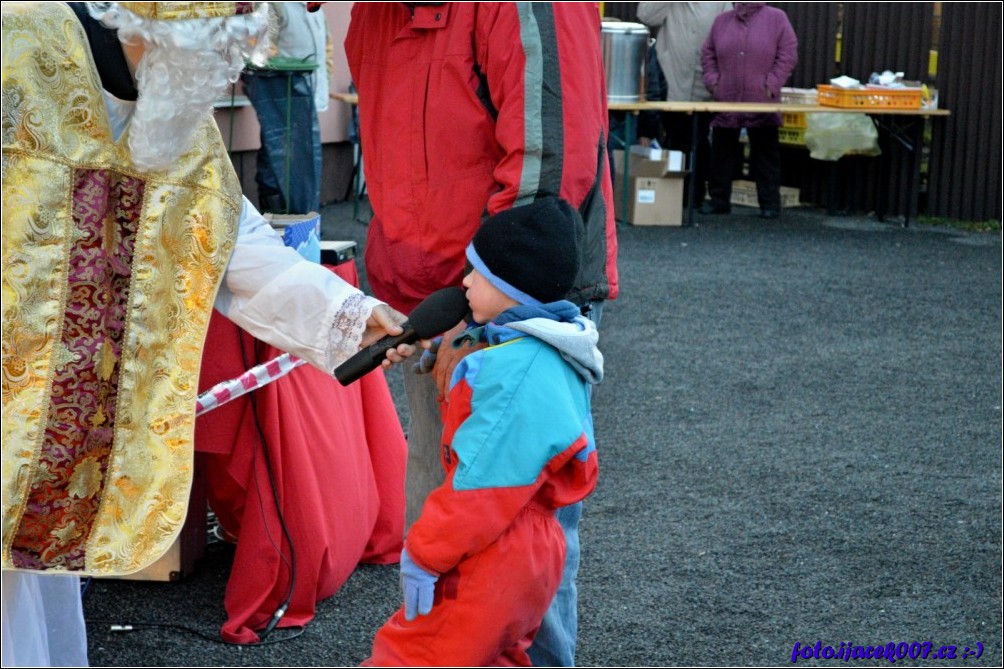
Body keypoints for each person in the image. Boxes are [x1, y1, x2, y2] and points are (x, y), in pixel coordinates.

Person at [1, 2, 411, 665]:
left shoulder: (167, 101)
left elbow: (228, 240)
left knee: (39, 595)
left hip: (57, 429)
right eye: (219, 54)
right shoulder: (18, 46)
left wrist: (350, 314)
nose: (223, 81)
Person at [345, 4, 619, 666]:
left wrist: (485, 310)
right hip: (432, 297)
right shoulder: (376, 15)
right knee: (440, 509)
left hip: (506, 307)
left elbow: (546, 172)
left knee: (517, 534)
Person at [364, 197, 602, 666]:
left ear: (514, 288)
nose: (466, 282)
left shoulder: (513, 372)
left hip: (495, 552)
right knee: (498, 654)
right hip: (530, 546)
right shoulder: (544, 349)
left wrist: (426, 553)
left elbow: (481, 488)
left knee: (412, 654)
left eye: (479, 273)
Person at [699, 2, 798, 219]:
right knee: (721, 153)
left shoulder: (777, 18)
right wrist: (714, 84)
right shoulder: (721, 21)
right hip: (727, 99)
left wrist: (771, 85)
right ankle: (718, 201)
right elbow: (707, 54)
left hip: (762, 101)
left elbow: (788, 53)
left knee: (765, 154)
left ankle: (770, 204)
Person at [637, 2, 732, 206]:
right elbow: (645, 15)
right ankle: (673, 196)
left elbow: (728, 30)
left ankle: (694, 197)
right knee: (676, 139)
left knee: (700, 141)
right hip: (672, 79)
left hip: (704, 82)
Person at [241, 2, 329, 215]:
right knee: (280, 154)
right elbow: (261, 48)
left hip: (307, 92)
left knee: (285, 154)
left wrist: (326, 80)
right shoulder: (276, 5)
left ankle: (291, 219)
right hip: (283, 91)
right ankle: (280, 216)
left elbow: (326, 48)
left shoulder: (316, 9)